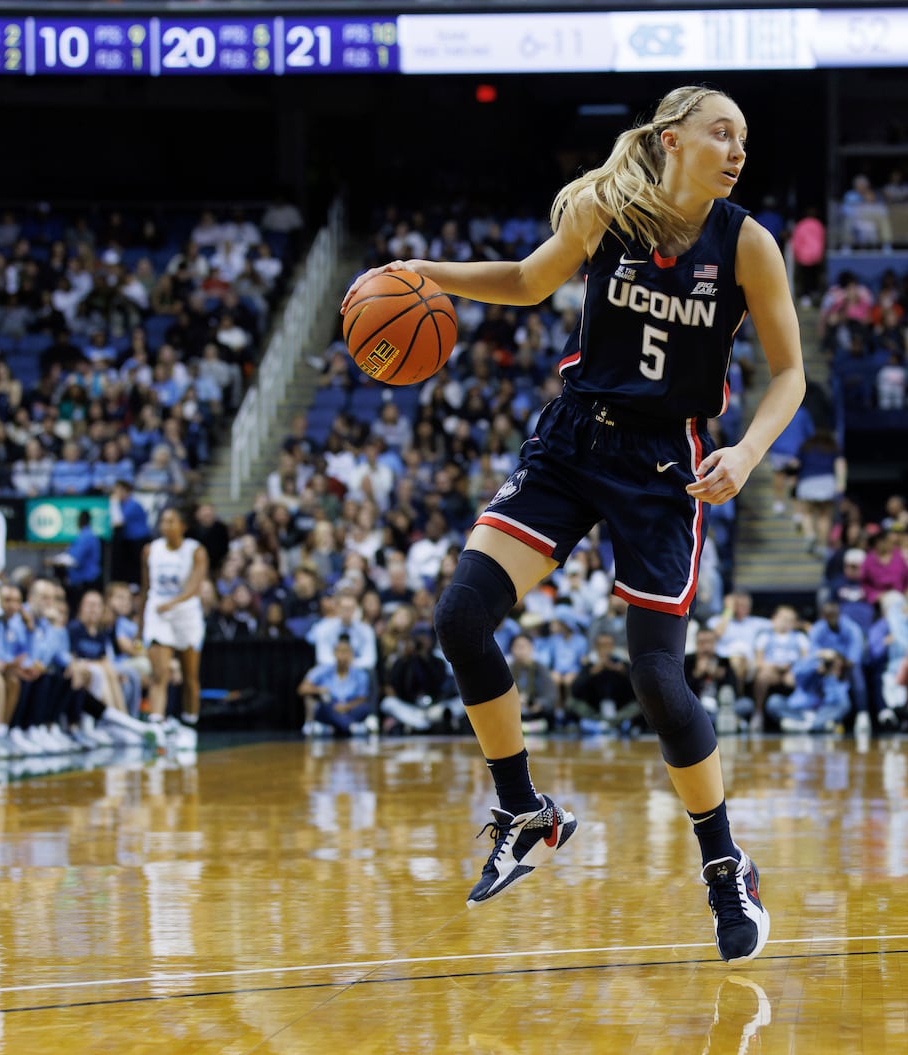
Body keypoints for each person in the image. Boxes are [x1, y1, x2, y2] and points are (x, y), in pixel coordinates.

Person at [340, 85, 803, 962]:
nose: (738, 149)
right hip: (575, 437)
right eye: (720, 132)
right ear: (672, 140)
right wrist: (431, 276)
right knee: (461, 618)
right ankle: (524, 811)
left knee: (660, 683)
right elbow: (525, 281)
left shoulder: (748, 244)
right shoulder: (606, 208)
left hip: (666, 466)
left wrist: (744, 453)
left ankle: (725, 865)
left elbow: (790, 375)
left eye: (744, 138)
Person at [142, 507, 206, 744]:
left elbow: (194, 587)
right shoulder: (151, 550)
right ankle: (156, 723)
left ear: (183, 525)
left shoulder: (196, 551)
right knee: (160, 673)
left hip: (186, 613)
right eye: (163, 521)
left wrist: (174, 602)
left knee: (190, 676)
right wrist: (140, 629)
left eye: (171, 521)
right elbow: (145, 587)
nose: (166, 525)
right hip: (158, 612)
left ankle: (190, 721)